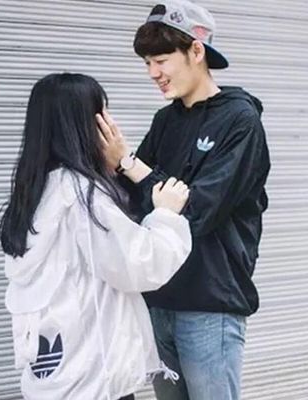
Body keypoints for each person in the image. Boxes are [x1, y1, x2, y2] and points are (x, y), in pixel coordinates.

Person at [96, 1, 271, 399]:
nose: (153, 73)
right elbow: (136, 200)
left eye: (161, 60)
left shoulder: (240, 121)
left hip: (210, 304)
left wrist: (130, 164)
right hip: (158, 300)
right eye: (147, 63)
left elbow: (196, 211)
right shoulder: (166, 121)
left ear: (196, 50)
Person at [0, 72, 193, 400]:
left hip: (54, 379)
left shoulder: (33, 193)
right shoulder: (82, 194)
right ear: (86, 125)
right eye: (102, 113)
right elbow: (139, 264)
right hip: (93, 381)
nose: (110, 124)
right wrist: (166, 214)